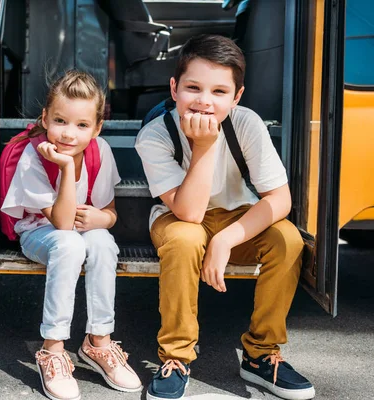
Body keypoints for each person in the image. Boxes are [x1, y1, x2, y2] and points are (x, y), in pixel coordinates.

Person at [135, 35, 315, 400]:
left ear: (236, 97)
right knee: (186, 238)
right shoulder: (155, 135)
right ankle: (177, 357)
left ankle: (261, 355)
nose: (204, 100)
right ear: (174, 88)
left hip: (236, 218)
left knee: (288, 240)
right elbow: (188, 212)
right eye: (193, 87)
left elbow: (280, 199)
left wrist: (225, 239)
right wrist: (202, 148)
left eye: (219, 91)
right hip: (178, 218)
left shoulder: (246, 123)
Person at [1, 70, 142, 400]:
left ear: (97, 128)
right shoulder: (33, 155)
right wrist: (65, 167)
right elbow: (62, 224)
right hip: (39, 233)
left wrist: (101, 218)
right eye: (60, 121)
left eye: (82, 125)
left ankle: (99, 342)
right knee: (68, 245)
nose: (69, 133)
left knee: (104, 244)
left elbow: (110, 214)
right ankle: (52, 349)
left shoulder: (100, 151)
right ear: (45, 118)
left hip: (79, 229)